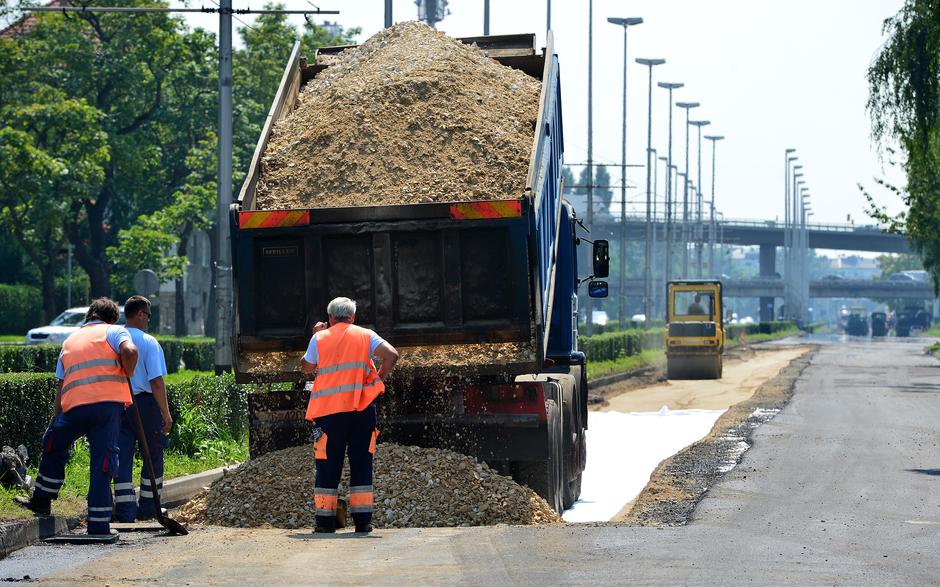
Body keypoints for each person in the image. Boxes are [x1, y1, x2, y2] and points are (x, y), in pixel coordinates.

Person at [14, 298, 137, 537]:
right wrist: (128, 369)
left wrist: (55, 419)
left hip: (74, 408)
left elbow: (61, 383)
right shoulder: (114, 331)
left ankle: (42, 499)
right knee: (103, 463)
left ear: (89, 315)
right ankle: (98, 526)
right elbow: (130, 351)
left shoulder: (70, 340)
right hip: (106, 409)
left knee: (53, 444)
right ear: (112, 317)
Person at [301, 297, 399, 534]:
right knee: (362, 464)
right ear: (353, 317)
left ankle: (325, 523)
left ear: (330, 318)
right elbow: (392, 355)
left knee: (327, 465)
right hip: (362, 411)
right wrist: (377, 378)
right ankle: (363, 522)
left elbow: (306, 368)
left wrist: (314, 335)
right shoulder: (366, 336)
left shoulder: (319, 338)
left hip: (329, 414)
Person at [113, 295, 171, 522]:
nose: (148, 320)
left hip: (119, 403)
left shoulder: (114, 339)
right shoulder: (148, 342)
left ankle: (125, 511)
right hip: (145, 404)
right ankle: (149, 507)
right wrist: (165, 414)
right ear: (139, 314)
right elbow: (156, 382)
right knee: (154, 453)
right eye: (148, 315)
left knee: (123, 455)